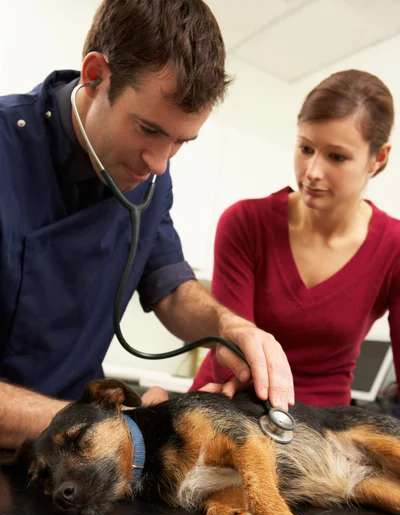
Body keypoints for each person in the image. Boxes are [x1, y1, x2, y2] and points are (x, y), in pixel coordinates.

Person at [0, 0, 294, 450]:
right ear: (95, 76)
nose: (159, 163)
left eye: (181, 141)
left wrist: (229, 328)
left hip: (82, 451)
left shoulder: (151, 179)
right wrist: (115, 427)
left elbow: (171, 287)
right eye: (149, 130)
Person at [191, 68, 399, 408]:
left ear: (378, 158)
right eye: (305, 148)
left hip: (322, 428)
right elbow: (232, 353)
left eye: (336, 157)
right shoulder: (245, 223)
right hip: (227, 405)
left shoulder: (393, 248)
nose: (312, 172)